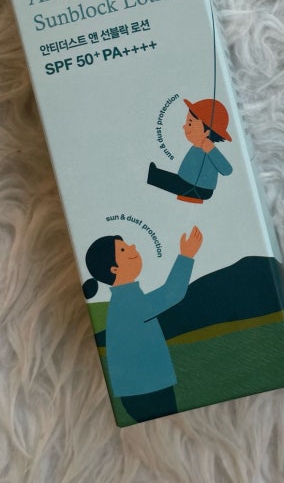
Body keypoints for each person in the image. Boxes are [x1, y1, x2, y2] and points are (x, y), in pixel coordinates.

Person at [82, 226, 203, 422]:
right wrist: (186, 255)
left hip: (142, 388)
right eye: (123, 249)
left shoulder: (126, 297)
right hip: (145, 389)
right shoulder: (127, 301)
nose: (132, 247)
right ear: (114, 269)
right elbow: (170, 294)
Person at [148, 98, 233, 203]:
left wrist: (211, 150)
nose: (184, 127)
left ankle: (153, 175)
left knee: (159, 178)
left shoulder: (209, 149)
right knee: (167, 178)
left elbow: (227, 170)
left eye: (190, 123)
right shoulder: (197, 146)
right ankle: (153, 174)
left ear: (207, 132)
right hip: (186, 182)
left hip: (198, 189)